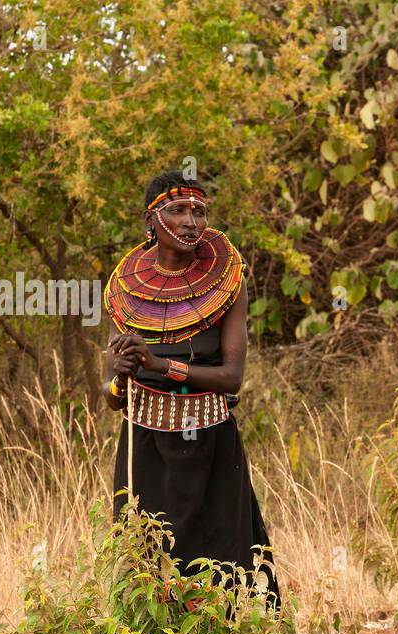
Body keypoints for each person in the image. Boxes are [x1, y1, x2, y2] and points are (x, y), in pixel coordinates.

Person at [102, 171, 278, 604]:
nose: (190, 222)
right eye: (177, 210)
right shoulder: (127, 290)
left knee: (224, 567)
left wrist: (158, 364)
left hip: (210, 444)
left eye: (199, 212)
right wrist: (116, 374)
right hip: (145, 448)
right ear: (152, 220)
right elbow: (109, 399)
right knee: (149, 567)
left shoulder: (228, 282)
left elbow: (232, 377)